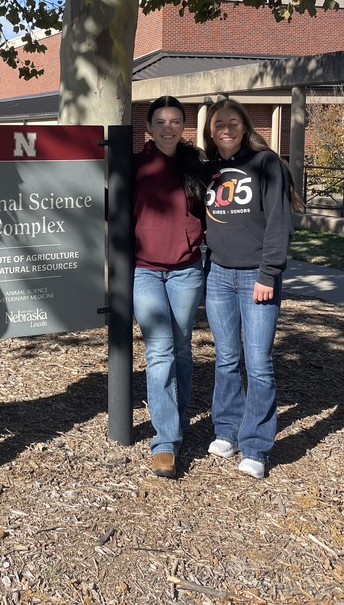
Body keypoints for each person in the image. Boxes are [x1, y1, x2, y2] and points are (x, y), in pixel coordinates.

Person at [202, 98, 301, 479]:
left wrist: (267, 273)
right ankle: (227, 431)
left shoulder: (266, 164)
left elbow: (280, 223)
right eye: (218, 124)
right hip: (218, 276)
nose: (225, 128)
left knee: (258, 364)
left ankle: (257, 446)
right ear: (210, 131)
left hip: (256, 278)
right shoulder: (210, 170)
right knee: (226, 359)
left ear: (244, 126)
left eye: (232, 122)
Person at [133, 96, 207, 479]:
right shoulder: (134, 166)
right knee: (159, 350)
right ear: (148, 127)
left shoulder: (196, 165)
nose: (167, 127)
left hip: (186, 271)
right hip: (144, 271)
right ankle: (165, 442)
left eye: (175, 120)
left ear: (183, 126)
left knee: (181, 347)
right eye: (160, 121)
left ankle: (175, 425)